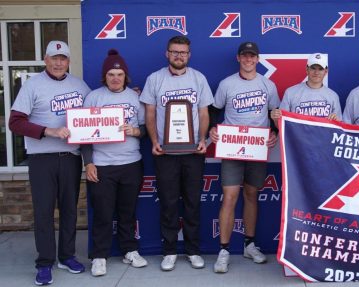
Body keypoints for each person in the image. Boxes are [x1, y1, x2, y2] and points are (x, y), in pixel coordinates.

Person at [8, 40, 90, 285]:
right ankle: (44, 262)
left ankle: (66, 256)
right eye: (54, 58)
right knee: (44, 212)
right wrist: (48, 131)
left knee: (69, 210)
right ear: (45, 60)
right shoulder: (33, 85)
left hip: (70, 158)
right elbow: (15, 122)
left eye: (62, 58)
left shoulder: (79, 85)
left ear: (68, 61)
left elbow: (93, 114)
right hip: (41, 159)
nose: (58, 63)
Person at [140, 35, 213, 271]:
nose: (178, 56)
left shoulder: (198, 78)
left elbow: (203, 113)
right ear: (167, 54)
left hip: (193, 151)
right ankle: (169, 250)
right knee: (169, 202)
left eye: (183, 52)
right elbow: (150, 114)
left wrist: (203, 140)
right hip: (165, 152)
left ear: (189, 55)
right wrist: (153, 141)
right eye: (174, 52)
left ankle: (193, 250)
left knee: (192, 202)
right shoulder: (155, 79)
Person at [209, 41, 280, 273]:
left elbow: (274, 115)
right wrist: (212, 128)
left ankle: (249, 244)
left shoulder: (268, 85)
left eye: (252, 56)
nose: (249, 60)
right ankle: (224, 249)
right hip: (232, 147)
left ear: (257, 59)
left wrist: (275, 133)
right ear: (238, 58)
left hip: (257, 147)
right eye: (245, 56)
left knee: (251, 194)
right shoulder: (227, 83)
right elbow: (213, 109)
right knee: (229, 196)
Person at [81, 49, 148, 276]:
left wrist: (135, 130)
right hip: (102, 164)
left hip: (131, 163)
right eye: (111, 74)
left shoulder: (135, 97)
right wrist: (88, 163)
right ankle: (99, 256)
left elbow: (147, 129)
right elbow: (83, 134)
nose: (115, 78)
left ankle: (129, 249)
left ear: (125, 76)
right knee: (102, 212)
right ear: (104, 77)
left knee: (127, 211)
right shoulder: (93, 97)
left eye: (119, 74)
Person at [270, 53, 341, 123]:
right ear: (307, 70)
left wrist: (336, 121)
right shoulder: (291, 92)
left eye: (320, 69)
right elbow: (281, 125)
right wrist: (275, 119)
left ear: (326, 72)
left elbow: (339, 129)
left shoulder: (333, 96)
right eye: (313, 68)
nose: (316, 72)